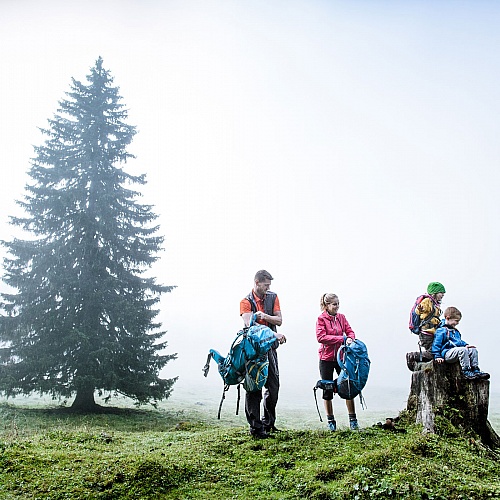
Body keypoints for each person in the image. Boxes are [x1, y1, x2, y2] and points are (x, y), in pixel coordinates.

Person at [240, 270, 286, 439]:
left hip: (271, 348)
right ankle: (256, 428)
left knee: (273, 386)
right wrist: (273, 333)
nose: (268, 288)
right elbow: (250, 327)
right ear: (257, 282)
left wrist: (264, 316)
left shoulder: (273, 297)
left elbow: (279, 320)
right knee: (254, 388)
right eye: (265, 285)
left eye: (269, 285)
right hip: (253, 351)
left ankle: (268, 423)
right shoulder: (245, 302)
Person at [316, 293, 359, 431]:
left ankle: (353, 420)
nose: (337, 306)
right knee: (327, 389)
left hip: (342, 358)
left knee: (348, 386)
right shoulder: (321, 319)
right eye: (334, 304)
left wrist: (350, 338)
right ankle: (331, 422)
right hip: (326, 359)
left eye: (338, 303)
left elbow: (350, 331)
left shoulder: (342, 318)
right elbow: (321, 337)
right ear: (327, 305)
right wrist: (342, 339)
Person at [431, 306, 490, 380]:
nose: (457, 323)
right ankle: (466, 371)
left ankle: (475, 369)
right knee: (463, 350)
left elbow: (458, 341)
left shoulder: (455, 331)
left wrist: (466, 345)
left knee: (473, 350)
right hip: (447, 353)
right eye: (456, 320)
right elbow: (436, 344)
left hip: (455, 351)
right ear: (448, 318)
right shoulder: (441, 331)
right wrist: (437, 356)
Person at [416, 281, 446, 353]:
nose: (443, 295)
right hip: (427, 332)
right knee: (433, 352)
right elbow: (418, 310)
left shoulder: (435, 304)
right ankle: (414, 356)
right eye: (441, 293)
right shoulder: (427, 301)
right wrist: (421, 308)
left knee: (436, 350)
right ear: (434, 293)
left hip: (432, 331)